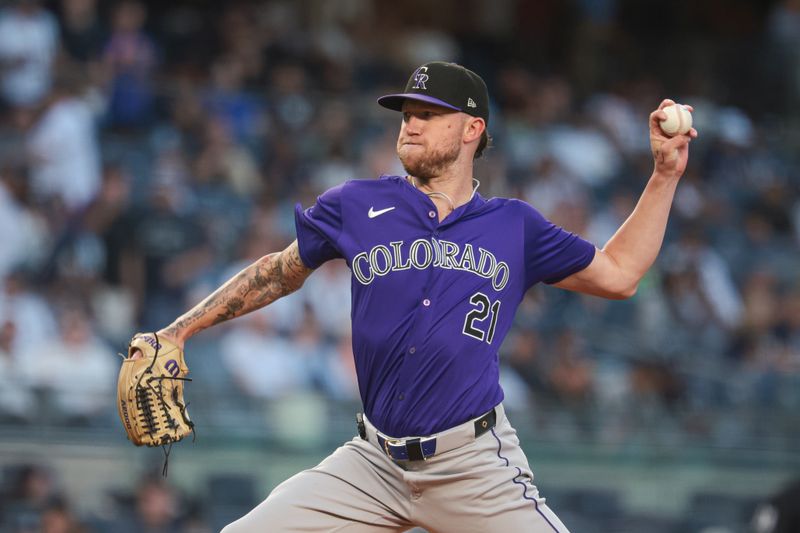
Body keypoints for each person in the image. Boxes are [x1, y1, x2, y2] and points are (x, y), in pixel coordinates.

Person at [132, 61, 697, 532]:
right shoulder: (355, 204)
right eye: (406, 115)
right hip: (372, 463)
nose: (411, 126)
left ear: (472, 129)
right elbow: (278, 272)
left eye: (428, 114)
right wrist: (180, 330)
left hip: (473, 465)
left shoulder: (514, 227)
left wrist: (664, 176)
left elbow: (621, 274)